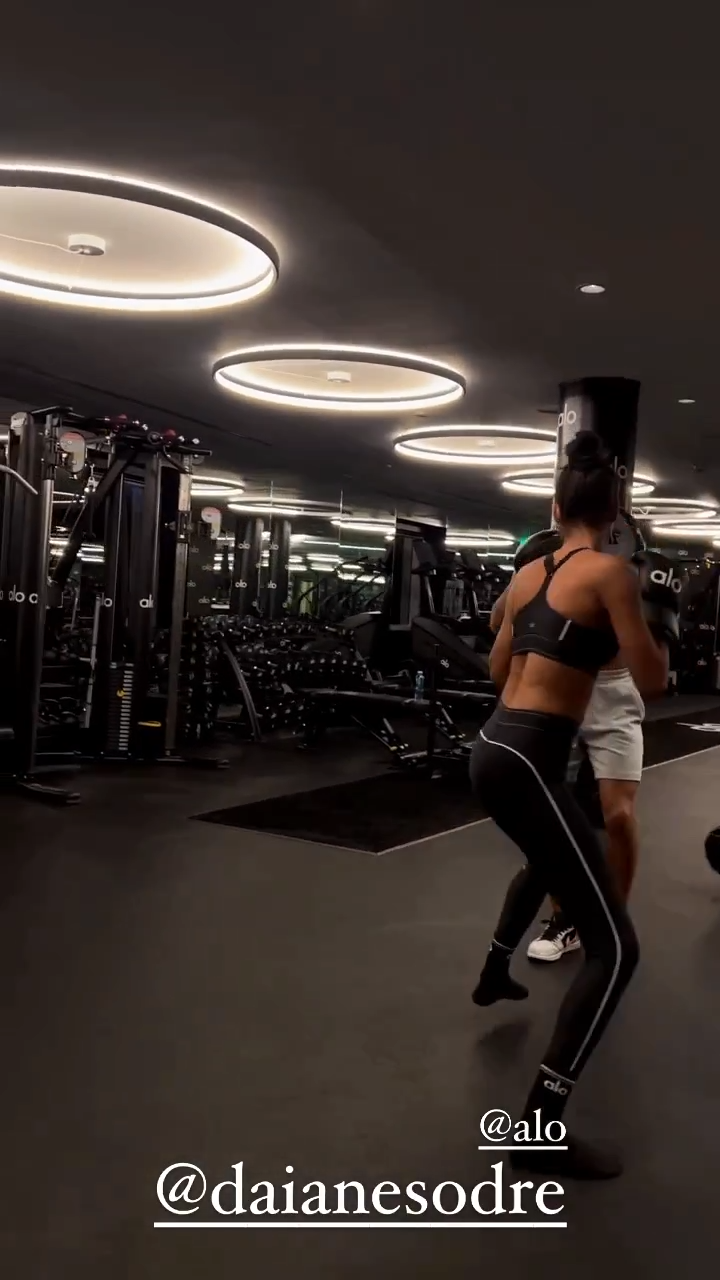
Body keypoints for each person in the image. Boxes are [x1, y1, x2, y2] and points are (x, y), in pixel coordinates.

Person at [470, 429, 679, 1180]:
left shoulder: (529, 573)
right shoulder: (613, 573)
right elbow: (652, 680)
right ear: (615, 515)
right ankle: (538, 1130)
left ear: (556, 509)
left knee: (550, 859)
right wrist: (654, 618)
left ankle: (496, 966)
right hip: (530, 758)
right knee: (616, 950)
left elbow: (499, 668)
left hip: (492, 749)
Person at [491, 545, 646, 963]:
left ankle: (614, 920)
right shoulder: (535, 570)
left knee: (619, 817)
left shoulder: (605, 575)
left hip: (612, 695)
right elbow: (497, 624)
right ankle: (565, 920)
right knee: (555, 820)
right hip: (558, 692)